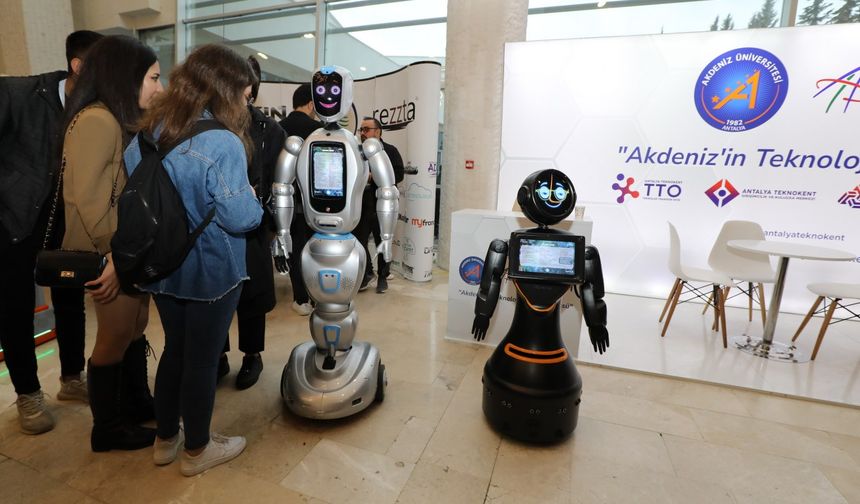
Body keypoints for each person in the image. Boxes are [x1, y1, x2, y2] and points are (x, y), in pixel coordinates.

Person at [127, 44, 262, 476]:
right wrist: (257, 204)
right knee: (202, 360)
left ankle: (166, 440)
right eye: (244, 91)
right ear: (225, 89)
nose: (247, 100)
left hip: (161, 265)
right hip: (210, 271)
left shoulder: (150, 130)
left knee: (174, 352)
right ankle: (198, 450)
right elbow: (241, 218)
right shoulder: (221, 141)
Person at [60, 34, 163, 451]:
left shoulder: (113, 119)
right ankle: (108, 427)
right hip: (106, 254)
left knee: (135, 326)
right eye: (154, 78)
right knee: (114, 335)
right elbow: (86, 200)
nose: (160, 87)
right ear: (127, 76)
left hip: (121, 251)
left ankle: (136, 403)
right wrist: (114, 258)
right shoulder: (98, 121)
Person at [0, 30, 102, 435]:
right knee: (15, 307)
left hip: (65, 223)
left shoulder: (97, 110)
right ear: (78, 67)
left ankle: (72, 378)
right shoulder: (18, 95)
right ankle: (27, 394)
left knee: (70, 300)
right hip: (14, 221)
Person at [217, 55, 286, 391]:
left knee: (252, 294)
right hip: (215, 224)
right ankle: (218, 354)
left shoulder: (270, 130)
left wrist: (271, 219)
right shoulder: (212, 125)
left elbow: (275, 178)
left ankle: (252, 355)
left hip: (255, 223)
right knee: (217, 292)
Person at [277, 83, 321, 315]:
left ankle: (300, 299)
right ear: (311, 104)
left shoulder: (278, 127)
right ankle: (317, 296)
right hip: (314, 201)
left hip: (285, 202)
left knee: (294, 247)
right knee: (316, 250)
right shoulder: (318, 129)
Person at [355, 117, 404, 293]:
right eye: (361, 129)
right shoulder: (357, 152)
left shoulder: (390, 150)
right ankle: (368, 273)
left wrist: (375, 175)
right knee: (358, 241)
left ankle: (383, 277)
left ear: (378, 131)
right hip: (362, 204)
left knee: (382, 240)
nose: (362, 133)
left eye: (366, 129)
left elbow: (399, 175)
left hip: (383, 205)